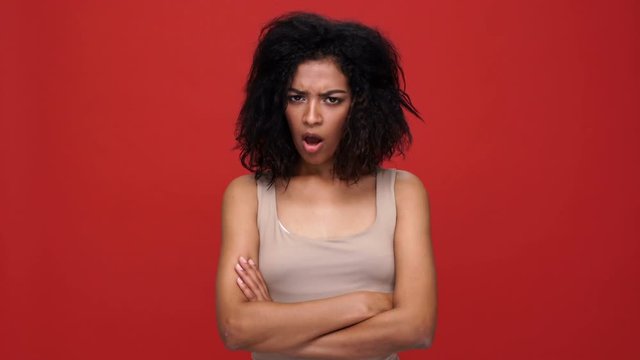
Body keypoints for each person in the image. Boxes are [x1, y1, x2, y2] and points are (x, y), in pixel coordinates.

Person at [216, 12, 437, 360]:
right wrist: (365, 303)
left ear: (360, 107)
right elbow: (235, 328)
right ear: (277, 103)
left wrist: (278, 329)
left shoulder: (402, 193)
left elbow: (417, 328)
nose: (311, 117)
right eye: (296, 97)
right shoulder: (248, 197)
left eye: (332, 99)